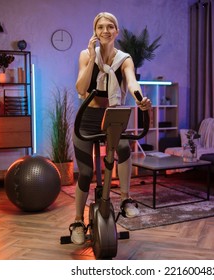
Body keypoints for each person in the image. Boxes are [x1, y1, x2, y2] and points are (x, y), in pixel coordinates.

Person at [70, 12, 152, 245]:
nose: (105, 31)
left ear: (116, 31)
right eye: (100, 27)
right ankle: (77, 221)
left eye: (110, 27)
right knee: (85, 172)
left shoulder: (124, 58)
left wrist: (139, 98)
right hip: (87, 115)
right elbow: (81, 87)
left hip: (113, 113)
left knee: (124, 149)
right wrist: (92, 58)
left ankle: (126, 200)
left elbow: (132, 81)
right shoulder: (85, 55)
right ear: (95, 32)